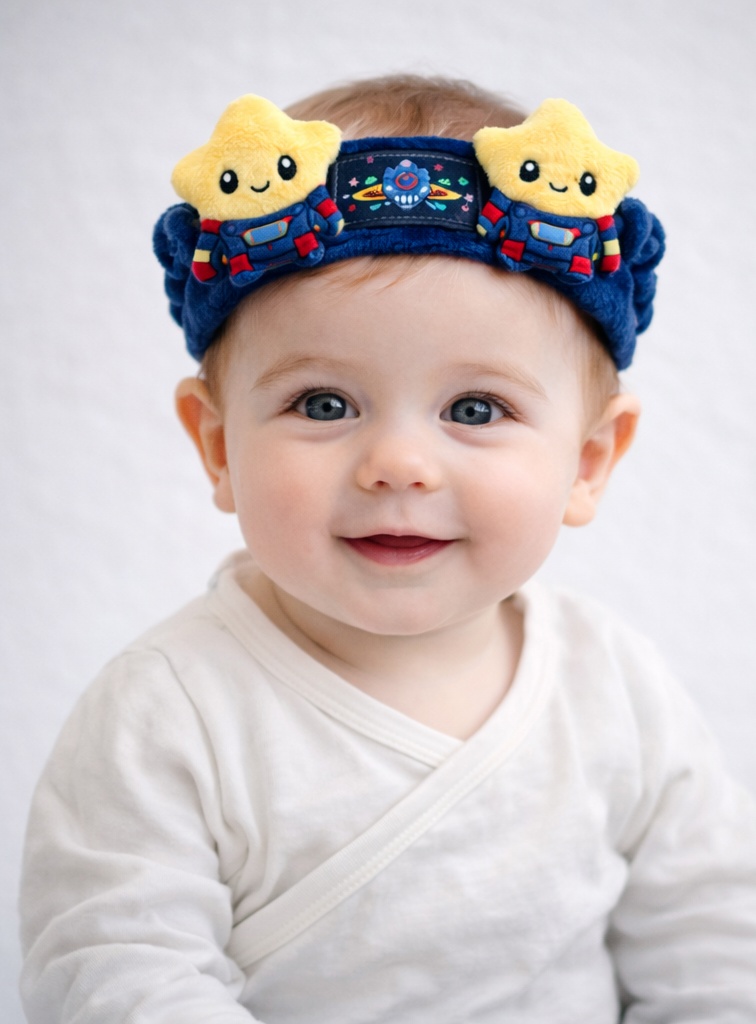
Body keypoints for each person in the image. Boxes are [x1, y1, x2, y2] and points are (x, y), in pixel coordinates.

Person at [18, 75, 756, 1024]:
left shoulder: (615, 688)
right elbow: (117, 975)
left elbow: (717, 953)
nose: (398, 464)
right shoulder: (166, 713)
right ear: (218, 446)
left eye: (476, 409)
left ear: (587, 461)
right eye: (324, 404)